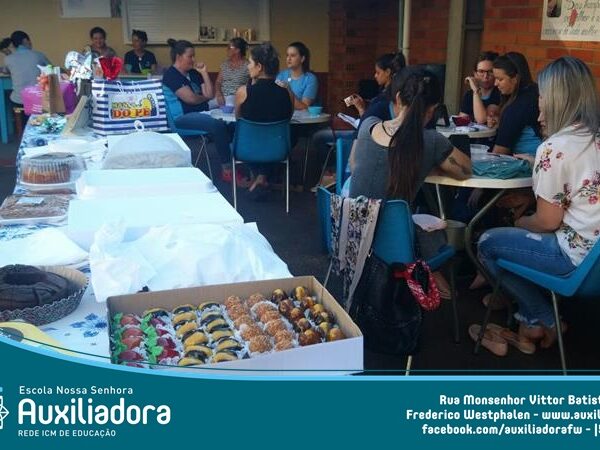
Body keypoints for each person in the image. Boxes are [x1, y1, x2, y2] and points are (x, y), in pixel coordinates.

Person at [475, 56, 600, 353]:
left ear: (554, 99)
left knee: (486, 242)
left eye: (542, 95)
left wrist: (519, 222)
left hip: (575, 259)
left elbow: (546, 222)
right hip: (595, 259)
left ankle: (540, 318)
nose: (538, 102)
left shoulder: (555, 148)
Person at [350, 67, 472, 203]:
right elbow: (466, 171)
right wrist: (431, 167)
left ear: (398, 99)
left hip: (353, 214)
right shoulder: (431, 141)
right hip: (396, 217)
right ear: (432, 110)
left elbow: (354, 164)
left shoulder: (368, 125)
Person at [311, 52, 406, 189]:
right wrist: (362, 109)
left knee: (319, 136)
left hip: (362, 139)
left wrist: (362, 112)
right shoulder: (387, 97)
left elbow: (366, 126)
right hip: (368, 135)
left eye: (378, 72)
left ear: (388, 72)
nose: (375, 76)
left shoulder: (383, 100)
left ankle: (332, 172)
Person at [162, 39, 233, 175]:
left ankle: (235, 164)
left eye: (194, 56)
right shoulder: (171, 75)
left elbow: (210, 94)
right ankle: (227, 169)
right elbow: (191, 99)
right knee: (217, 125)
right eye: (190, 56)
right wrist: (204, 98)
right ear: (179, 57)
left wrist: (204, 73)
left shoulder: (193, 73)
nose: (193, 60)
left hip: (202, 113)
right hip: (182, 118)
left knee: (231, 124)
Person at [235, 43, 293, 199]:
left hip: (246, 149)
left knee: (232, 135)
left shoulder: (243, 92)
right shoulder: (287, 92)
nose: (247, 66)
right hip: (278, 150)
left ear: (259, 67)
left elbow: (238, 119)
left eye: (250, 62)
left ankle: (258, 177)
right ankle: (263, 176)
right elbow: (288, 118)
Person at [491, 52, 542, 156]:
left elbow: (499, 153)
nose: (495, 84)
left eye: (500, 79)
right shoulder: (536, 91)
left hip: (527, 160)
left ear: (515, 78)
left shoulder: (516, 107)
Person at [4, 31, 50, 108]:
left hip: (18, 100)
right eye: (29, 41)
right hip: (37, 100)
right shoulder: (38, 55)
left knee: (13, 99)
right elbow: (52, 70)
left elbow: (9, 70)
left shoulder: (8, 59)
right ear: (25, 40)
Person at [459, 51, 501, 124]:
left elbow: (481, 119)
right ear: (475, 74)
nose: (486, 76)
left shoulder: (500, 93)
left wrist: (476, 91)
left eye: (490, 72)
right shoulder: (469, 94)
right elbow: (461, 120)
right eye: (481, 71)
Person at [276, 42, 318, 110]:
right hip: (282, 113)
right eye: (287, 55)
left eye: (292, 55)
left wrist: (288, 90)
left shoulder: (310, 79)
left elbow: (304, 107)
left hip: (301, 116)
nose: (288, 58)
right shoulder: (281, 75)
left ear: (302, 59)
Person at [213, 37, 250, 108]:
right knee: (207, 106)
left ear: (237, 50)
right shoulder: (224, 64)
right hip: (221, 96)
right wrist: (218, 94)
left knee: (229, 102)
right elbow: (218, 82)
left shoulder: (248, 65)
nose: (227, 49)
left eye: (229, 47)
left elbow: (253, 83)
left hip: (237, 97)